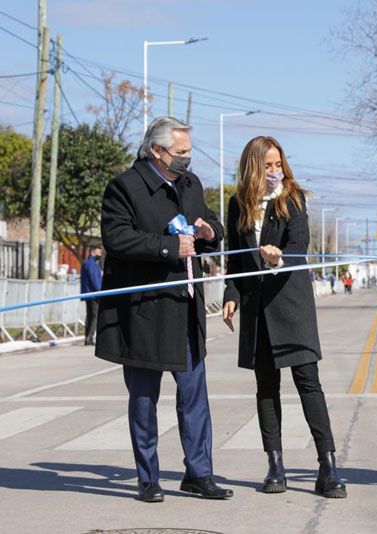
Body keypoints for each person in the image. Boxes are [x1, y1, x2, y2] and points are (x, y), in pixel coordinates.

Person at [96, 116, 232, 503]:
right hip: (143, 311)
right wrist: (169, 248)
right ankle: (148, 478)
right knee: (144, 399)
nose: (187, 159)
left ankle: (199, 473)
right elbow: (117, 237)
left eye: (189, 152)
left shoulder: (190, 185)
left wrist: (209, 233)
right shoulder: (126, 186)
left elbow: (213, 225)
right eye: (181, 153)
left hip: (184, 308)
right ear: (157, 151)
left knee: (194, 395)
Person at [222, 136, 346, 499]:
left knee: (309, 382)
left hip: (291, 305)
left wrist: (279, 259)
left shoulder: (292, 198)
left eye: (278, 164)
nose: (274, 171)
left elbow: (299, 248)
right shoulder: (238, 203)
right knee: (266, 387)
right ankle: (275, 465)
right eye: (267, 165)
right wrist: (231, 296)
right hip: (257, 307)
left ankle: (328, 466)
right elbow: (234, 259)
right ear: (252, 168)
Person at [79, 247, 103, 345]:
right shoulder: (92, 264)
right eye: (99, 252)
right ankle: (90, 337)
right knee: (94, 316)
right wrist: (100, 291)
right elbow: (94, 279)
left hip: (87, 293)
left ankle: (87, 337)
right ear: (93, 252)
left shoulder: (86, 263)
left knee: (89, 315)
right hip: (94, 293)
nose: (100, 254)